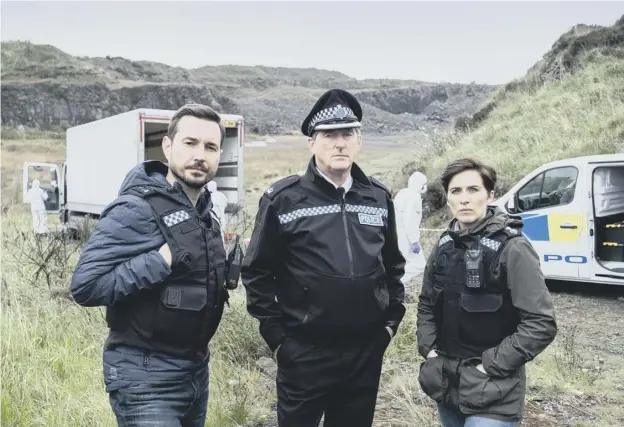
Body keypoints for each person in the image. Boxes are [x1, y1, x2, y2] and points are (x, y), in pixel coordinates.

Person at [241, 88, 407, 427]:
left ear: (359, 141)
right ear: (312, 143)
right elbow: (256, 272)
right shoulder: (283, 200)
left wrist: (389, 327)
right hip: (305, 353)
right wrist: (278, 341)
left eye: (348, 134)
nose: (340, 143)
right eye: (329, 135)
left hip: (365, 353)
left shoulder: (377, 197)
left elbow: (393, 266)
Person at [70, 104, 232, 427]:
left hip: (196, 373)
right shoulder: (137, 208)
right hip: (145, 379)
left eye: (210, 147)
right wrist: (159, 261)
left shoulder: (206, 213)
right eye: (190, 143)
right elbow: (84, 285)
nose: (200, 154)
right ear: (168, 146)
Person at [416, 158, 558, 427]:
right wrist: (429, 348)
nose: (464, 199)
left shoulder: (513, 248)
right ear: (448, 199)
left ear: (490, 195)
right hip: (446, 381)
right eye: (456, 191)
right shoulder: (444, 245)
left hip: (495, 389)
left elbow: (541, 323)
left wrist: (489, 366)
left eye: (473, 190)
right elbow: (426, 303)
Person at [393, 171, 428, 283]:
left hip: (395, 232)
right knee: (419, 265)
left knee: (399, 263)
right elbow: (409, 221)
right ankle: (396, 283)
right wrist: (414, 241)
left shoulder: (402, 193)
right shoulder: (414, 197)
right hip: (405, 235)